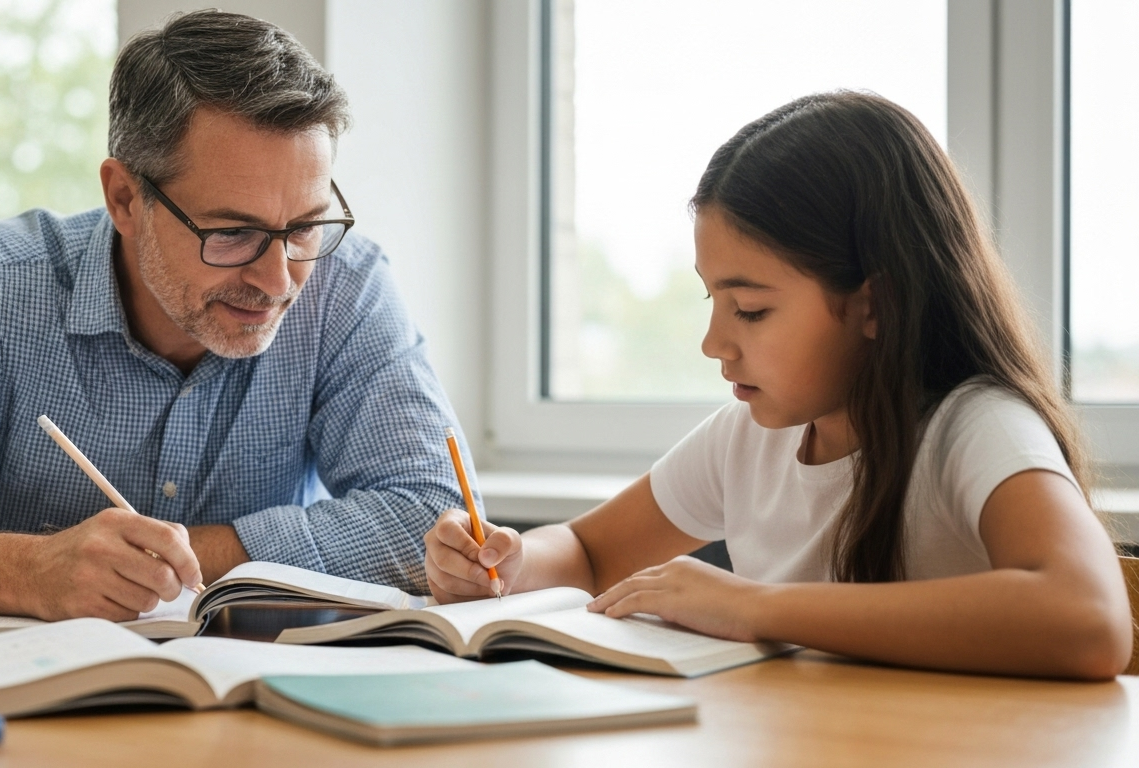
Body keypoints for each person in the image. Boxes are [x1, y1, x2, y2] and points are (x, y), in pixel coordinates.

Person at [425, 92, 1133, 680]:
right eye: (713, 302)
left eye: (752, 310)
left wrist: (755, 606)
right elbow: (589, 551)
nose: (714, 344)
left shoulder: (975, 428)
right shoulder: (750, 437)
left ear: (873, 304)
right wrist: (509, 563)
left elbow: (1090, 621)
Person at [0, 10, 473, 621]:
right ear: (125, 198)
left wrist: (178, 558)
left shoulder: (346, 285)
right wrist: (30, 571)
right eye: (231, 233)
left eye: (303, 227)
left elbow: (434, 516)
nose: (278, 280)